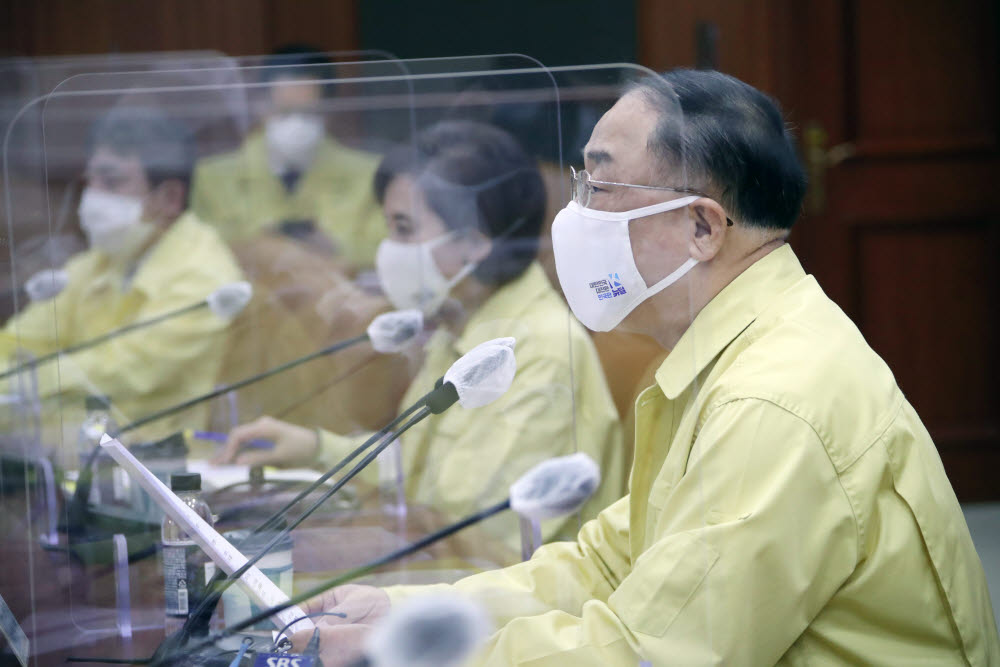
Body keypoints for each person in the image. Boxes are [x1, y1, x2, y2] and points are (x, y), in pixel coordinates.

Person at [284, 70, 1000, 666]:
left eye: (600, 187)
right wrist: (410, 612)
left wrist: (416, 650)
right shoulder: (729, 347)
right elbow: (608, 562)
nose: (574, 215)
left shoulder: (772, 398)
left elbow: (652, 653)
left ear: (700, 227)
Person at [219, 120, 625, 552]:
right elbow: (414, 471)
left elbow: (470, 534)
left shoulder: (538, 353)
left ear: (472, 244)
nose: (387, 248)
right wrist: (316, 449)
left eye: (404, 229)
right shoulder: (462, 325)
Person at [0, 106, 243, 457]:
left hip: (163, 471)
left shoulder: (205, 275)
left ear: (170, 198)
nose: (92, 197)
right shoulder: (104, 259)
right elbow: (21, 338)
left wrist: (22, 386)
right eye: (91, 181)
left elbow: (124, 370)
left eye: (111, 182)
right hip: (77, 453)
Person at [190, 45, 385, 273]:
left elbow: (384, 252)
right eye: (284, 112)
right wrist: (260, 247)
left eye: (308, 113)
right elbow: (202, 256)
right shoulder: (214, 176)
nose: (296, 124)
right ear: (260, 107)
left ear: (330, 111)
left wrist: (336, 248)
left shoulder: (370, 173)